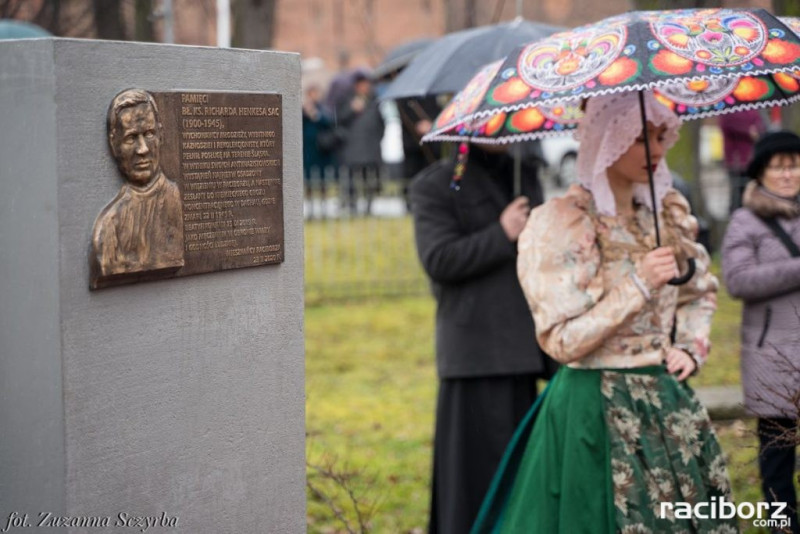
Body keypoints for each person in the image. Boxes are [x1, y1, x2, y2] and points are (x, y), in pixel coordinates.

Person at [471, 92, 735, 533]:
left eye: (659, 136)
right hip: (590, 407)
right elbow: (562, 341)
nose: (654, 150)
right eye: (638, 139)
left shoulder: (666, 215)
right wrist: (638, 283)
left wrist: (690, 347)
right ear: (606, 141)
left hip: (667, 403)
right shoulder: (565, 224)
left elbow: (699, 292)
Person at [409, 143, 555, 534]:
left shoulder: (524, 172)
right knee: (470, 482)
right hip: (474, 353)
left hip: (524, 349)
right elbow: (439, 259)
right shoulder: (435, 184)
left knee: (520, 475)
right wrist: (502, 232)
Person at [721, 131, 800, 534]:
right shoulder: (744, 220)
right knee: (778, 466)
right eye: (779, 165)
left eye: (795, 164)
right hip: (773, 361)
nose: (788, 173)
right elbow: (738, 281)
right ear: (762, 171)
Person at [90, 89, 184, 289]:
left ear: (161, 135)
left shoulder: (181, 202)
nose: (143, 149)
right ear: (114, 145)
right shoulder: (109, 228)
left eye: (149, 134)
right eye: (131, 138)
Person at [335, 71, 384, 215]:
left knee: (369, 178)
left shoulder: (375, 101)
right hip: (353, 147)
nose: (365, 87)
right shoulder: (346, 100)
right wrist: (352, 109)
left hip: (371, 147)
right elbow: (339, 120)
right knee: (351, 178)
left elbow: (382, 124)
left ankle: (368, 205)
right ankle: (352, 205)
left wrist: (377, 139)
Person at [720, 109, 765, 213]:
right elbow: (728, 124)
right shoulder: (729, 109)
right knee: (738, 194)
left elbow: (760, 123)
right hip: (736, 160)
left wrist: (757, 130)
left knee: (750, 191)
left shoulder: (751, 107)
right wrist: (749, 131)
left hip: (751, 158)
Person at [302, 84, 336, 218]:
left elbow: (329, 123)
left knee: (322, 182)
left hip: (321, 151)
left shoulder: (324, 108)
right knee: (309, 182)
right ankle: (310, 211)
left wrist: (315, 115)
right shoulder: (302, 110)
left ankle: (323, 210)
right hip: (307, 151)